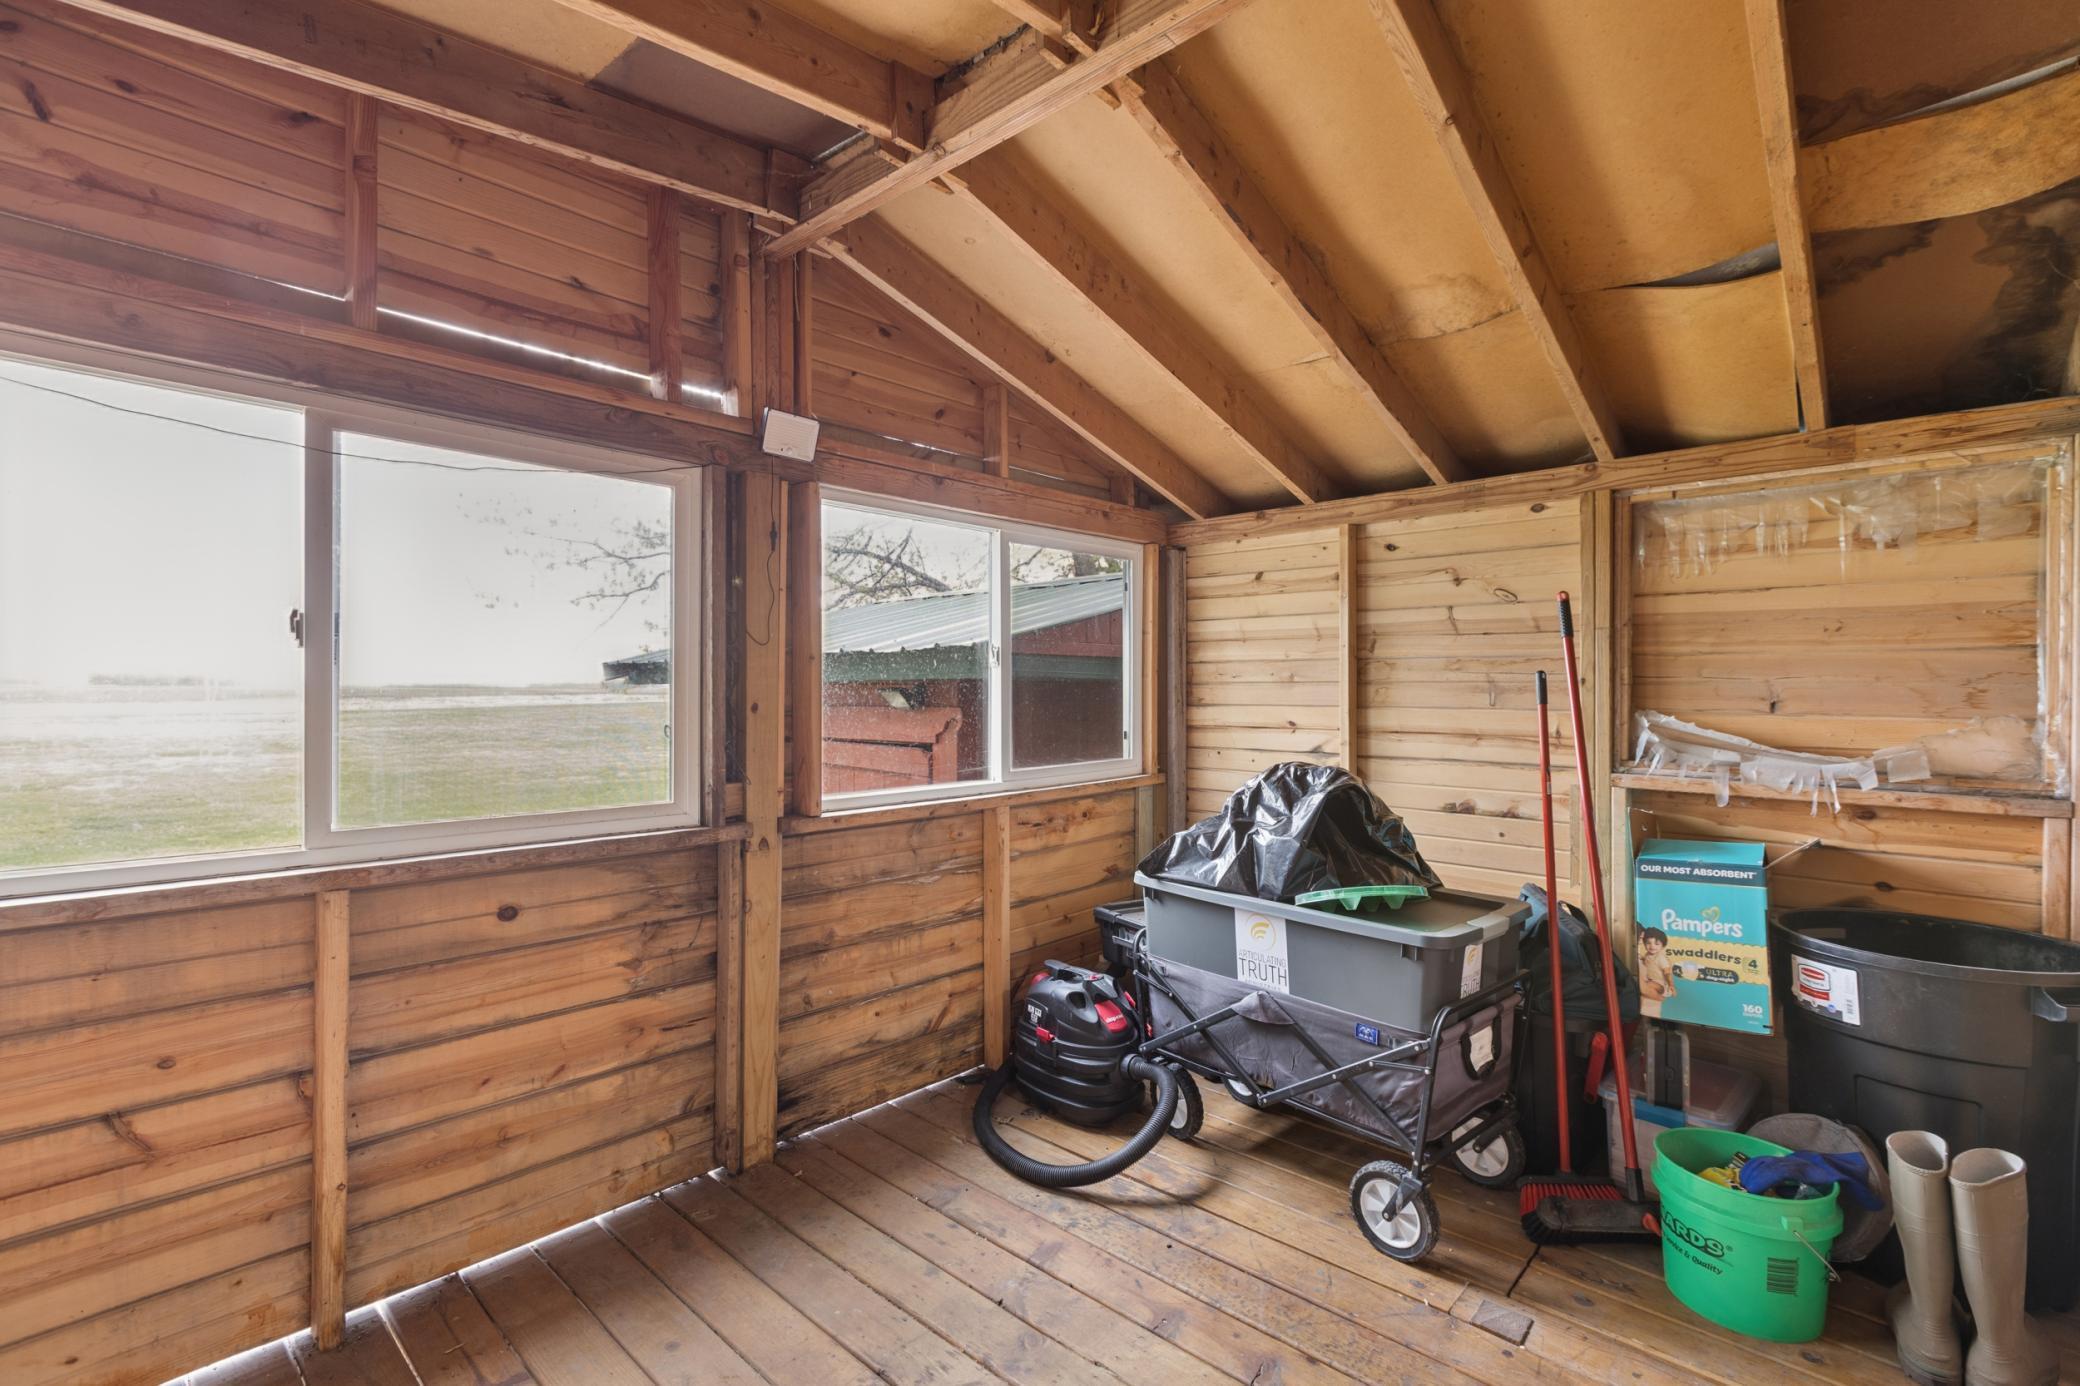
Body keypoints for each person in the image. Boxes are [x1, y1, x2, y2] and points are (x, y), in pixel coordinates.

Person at [1637, 927, 1676, 1018]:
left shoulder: (1660, 958)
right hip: (1651, 981)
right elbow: (1646, 962)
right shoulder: (1647, 955)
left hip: (1661, 985)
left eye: (1656, 944)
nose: (1652, 946)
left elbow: (1667, 973)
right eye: (1648, 943)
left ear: (1663, 946)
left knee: (1646, 986)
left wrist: (1671, 985)